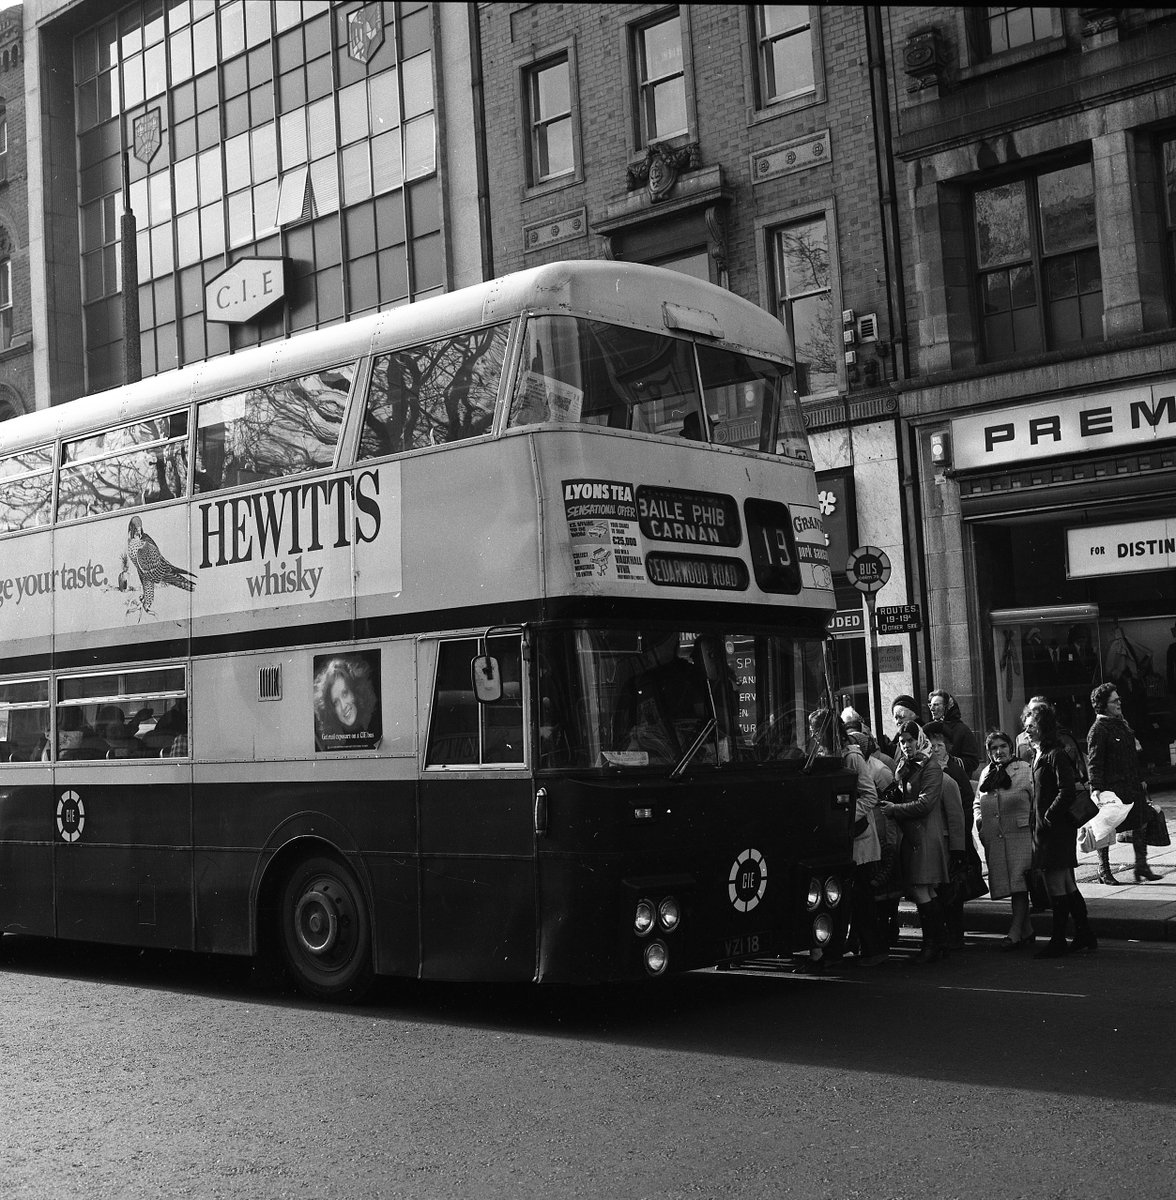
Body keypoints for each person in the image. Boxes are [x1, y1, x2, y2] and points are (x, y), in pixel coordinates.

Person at [1026, 702, 1096, 957]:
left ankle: (1058, 940)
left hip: (1054, 830)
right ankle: (1084, 933)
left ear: (1044, 727)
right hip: (1047, 829)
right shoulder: (1039, 753)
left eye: (1032, 725)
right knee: (1066, 883)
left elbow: (1067, 790)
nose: (1027, 730)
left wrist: (1048, 816)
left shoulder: (1054, 754)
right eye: (1026, 726)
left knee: (1056, 885)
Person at [878, 719, 951, 963]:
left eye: (910, 740)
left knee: (922, 889)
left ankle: (932, 944)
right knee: (926, 889)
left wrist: (895, 809)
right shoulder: (907, 765)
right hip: (912, 835)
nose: (906, 745)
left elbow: (925, 803)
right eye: (902, 742)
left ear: (919, 739)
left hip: (925, 835)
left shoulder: (930, 766)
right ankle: (939, 942)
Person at [1087, 681, 1158, 884]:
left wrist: (1141, 779)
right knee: (1106, 828)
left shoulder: (1122, 724)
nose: (1119, 703)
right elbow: (1094, 762)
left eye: (1119, 699)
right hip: (1112, 788)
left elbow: (1133, 757)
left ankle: (1142, 866)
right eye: (1115, 701)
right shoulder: (1098, 730)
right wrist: (1096, 788)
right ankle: (1104, 869)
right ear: (1103, 705)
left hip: (1131, 785)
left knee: (1141, 823)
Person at [974, 729, 1037, 949]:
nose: (999, 751)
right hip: (996, 838)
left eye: (1002, 746)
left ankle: (1015, 931)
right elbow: (977, 802)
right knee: (1011, 885)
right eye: (994, 748)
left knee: (1019, 885)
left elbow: (1036, 802)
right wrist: (981, 823)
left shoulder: (1025, 769)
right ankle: (1027, 930)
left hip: (1021, 836)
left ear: (1011, 747)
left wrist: (1033, 828)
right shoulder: (986, 773)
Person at [614, 630, 710, 763]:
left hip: (691, 759)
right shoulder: (634, 685)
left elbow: (707, 719)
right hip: (652, 764)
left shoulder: (689, 676)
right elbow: (622, 737)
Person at [923, 719, 972, 950]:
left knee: (952, 890)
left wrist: (959, 844)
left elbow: (963, 808)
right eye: (931, 746)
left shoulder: (954, 771)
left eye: (939, 746)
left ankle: (955, 935)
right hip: (933, 840)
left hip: (951, 838)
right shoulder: (926, 770)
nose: (935, 750)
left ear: (947, 747)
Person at [313, 655, 382, 751]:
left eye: (345, 693)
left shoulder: (376, 728)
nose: (343, 706)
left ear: (356, 691)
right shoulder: (333, 746)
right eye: (335, 702)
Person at [927, 689, 980, 775]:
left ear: (947, 707)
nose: (932, 709)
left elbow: (972, 762)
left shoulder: (962, 730)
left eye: (936, 705)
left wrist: (948, 761)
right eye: (930, 705)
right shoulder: (930, 730)